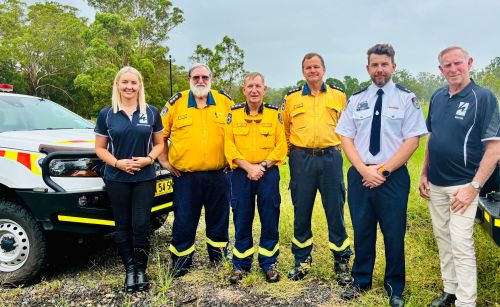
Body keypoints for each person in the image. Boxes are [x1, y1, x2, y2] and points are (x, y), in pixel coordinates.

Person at [336, 44, 428, 307]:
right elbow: (346, 138)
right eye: (374, 65)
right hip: (360, 175)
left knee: (393, 233)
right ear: (367, 68)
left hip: (393, 177)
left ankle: (394, 286)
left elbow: (412, 141)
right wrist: (365, 170)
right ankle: (361, 280)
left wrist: (383, 170)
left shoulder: (406, 99)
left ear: (393, 67)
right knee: (362, 230)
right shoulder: (356, 100)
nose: (379, 69)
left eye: (384, 64)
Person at [419, 46, 500, 307]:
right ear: (440, 69)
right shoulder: (438, 96)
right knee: (443, 238)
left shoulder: (483, 98)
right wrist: (423, 173)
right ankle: (450, 291)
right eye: (447, 66)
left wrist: (473, 187)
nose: (453, 69)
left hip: (463, 186)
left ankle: (467, 301)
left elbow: (495, 149)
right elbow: (433, 138)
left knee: (461, 243)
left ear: (469, 63)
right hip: (436, 183)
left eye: (458, 64)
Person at [281, 52, 353, 284]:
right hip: (301, 160)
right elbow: (285, 130)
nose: (312, 71)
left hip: (331, 158)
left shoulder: (339, 96)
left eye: (316, 67)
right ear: (303, 72)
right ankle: (302, 260)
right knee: (301, 210)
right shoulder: (291, 99)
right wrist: (295, 154)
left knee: (335, 209)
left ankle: (341, 259)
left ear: (324, 69)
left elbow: (348, 128)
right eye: (308, 68)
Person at [159, 63, 234, 277]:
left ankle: (218, 256)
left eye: (204, 77)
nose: (200, 81)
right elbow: (159, 136)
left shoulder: (225, 101)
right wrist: (164, 160)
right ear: (189, 79)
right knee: (184, 217)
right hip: (186, 176)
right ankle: (181, 261)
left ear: (211, 78)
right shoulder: (176, 103)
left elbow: (239, 131)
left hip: (219, 174)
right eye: (196, 77)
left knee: (219, 217)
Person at [94, 66, 164, 293]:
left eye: (133, 83)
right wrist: (116, 163)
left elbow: (161, 144)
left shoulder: (151, 112)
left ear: (140, 85)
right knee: (122, 225)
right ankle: (130, 270)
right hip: (116, 178)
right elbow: (100, 148)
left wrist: (149, 159)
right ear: (117, 85)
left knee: (141, 225)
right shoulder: (107, 114)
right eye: (124, 82)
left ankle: (141, 270)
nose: (129, 87)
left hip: (145, 177)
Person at [224, 72, 287, 284]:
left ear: (264, 89)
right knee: (242, 216)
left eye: (258, 86)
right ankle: (241, 264)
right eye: (250, 86)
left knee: (270, 216)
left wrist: (261, 166)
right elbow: (229, 146)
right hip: (241, 174)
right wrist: (248, 167)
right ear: (243, 90)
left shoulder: (273, 114)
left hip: (267, 173)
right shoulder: (233, 115)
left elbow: (281, 146)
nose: (254, 90)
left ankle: (269, 263)